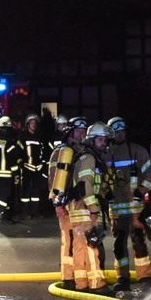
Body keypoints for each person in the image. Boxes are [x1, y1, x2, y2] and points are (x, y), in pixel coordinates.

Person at [104, 116, 151, 292]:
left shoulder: (138, 152)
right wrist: (105, 192)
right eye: (116, 132)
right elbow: (99, 178)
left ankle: (145, 277)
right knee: (119, 246)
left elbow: (150, 174)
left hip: (135, 210)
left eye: (122, 131)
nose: (119, 135)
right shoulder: (105, 154)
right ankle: (122, 277)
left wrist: (141, 191)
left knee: (139, 242)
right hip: (116, 209)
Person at [68, 122, 112, 293]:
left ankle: (82, 283)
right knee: (92, 246)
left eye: (105, 140)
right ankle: (97, 284)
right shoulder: (89, 158)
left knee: (80, 247)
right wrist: (94, 208)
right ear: (92, 140)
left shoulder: (85, 156)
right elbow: (86, 184)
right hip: (86, 209)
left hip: (78, 209)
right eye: (101, 139)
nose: (104, 143)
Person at [47, 117, 87, 290]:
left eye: (84, 131)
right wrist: (58, 203)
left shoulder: (79, 150)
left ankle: (74, 278)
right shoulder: (64, 151)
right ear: (70, 132)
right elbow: (54, 177)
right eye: (79, 131)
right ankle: (70, 278)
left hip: (76, 202)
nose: (82, 134)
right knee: (70, 239)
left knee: (76, 241)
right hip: (65, 202)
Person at [0, 116, 25, 224]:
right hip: (7, 175)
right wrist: (16, 173)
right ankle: (2, 215)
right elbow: (13, 160)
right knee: (5, 195)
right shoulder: (9, 143)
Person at [19, 113, 47, 219]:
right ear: (28, 124)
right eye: (31, 123)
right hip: (26, 169)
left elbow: (43, 153)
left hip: (37, 169)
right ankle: (25, 213)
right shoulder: (23, 137)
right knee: (25, 192)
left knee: (36, 193)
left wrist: (42, 164)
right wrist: (21, 163)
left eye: (35, 123)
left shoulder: (39, 138)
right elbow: (19, 151)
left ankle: (35, 213)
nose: (33, 125)